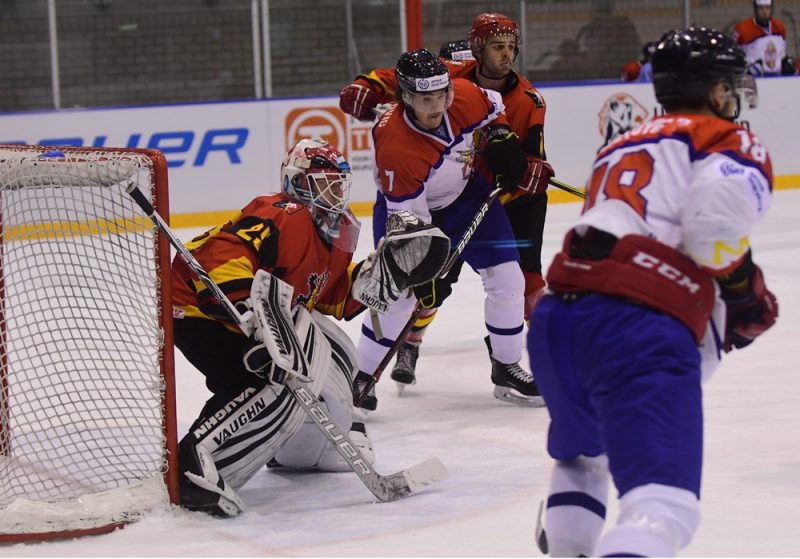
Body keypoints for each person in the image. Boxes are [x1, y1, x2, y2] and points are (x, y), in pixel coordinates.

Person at [528, 27, 778, 556]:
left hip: (558, 318)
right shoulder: (725, 137)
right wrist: (743, 291)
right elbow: (711, 234)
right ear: (715, 90)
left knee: (582, 460)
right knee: (663, 508)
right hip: (637, 326)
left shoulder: (620, 142)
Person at [171, 138, 449, 516]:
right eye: (324, 183)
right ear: (298, 182)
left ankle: (307, 447)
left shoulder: (336, 233)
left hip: (254, 319)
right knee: (258, 384)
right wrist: (250, 316)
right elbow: (223, 256)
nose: (334, 192)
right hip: (199, 309)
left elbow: (329, 298)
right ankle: (192, 464)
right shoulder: (282, 211)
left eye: (339, 183)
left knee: (327, 352)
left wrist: (391, 275)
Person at [339, 13, 553, 396]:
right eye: (426, 98)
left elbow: (492, 108)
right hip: (410, 215)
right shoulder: (397, 148)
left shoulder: (464, 93)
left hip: (470, 199)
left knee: (508, 280)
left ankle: (506, 366)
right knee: (401, 296)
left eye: (442, 94)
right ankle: (362, 376)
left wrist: (499, 134)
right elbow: (413, 222)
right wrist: (427, 263)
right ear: (405, 97)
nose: (438, 105)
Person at [732, 0, 797, 75]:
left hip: (777, 78)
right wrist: (747, 68)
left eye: (767, 8)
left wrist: (785, 62)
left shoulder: (779, 27)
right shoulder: (742, 29)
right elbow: (734, 54)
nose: (765, 11)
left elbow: (781, 52)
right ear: (755, 9)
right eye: (761, 8)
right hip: (752, 80)